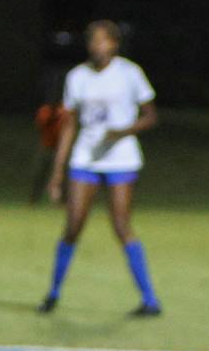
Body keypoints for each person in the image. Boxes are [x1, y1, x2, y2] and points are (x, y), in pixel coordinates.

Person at [39, 21, 162, 317]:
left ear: (114, 44)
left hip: (121, 159)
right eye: (93, 41)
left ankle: (150, 300)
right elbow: (69, 126)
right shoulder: (78, 77)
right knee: (72, 226)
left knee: (121, 226)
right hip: (86, 159)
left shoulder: (130, 73)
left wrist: (121, 131)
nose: (98, 46)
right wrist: (57, 173)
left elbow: (151, 117)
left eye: (104, 41)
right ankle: (52, 294)